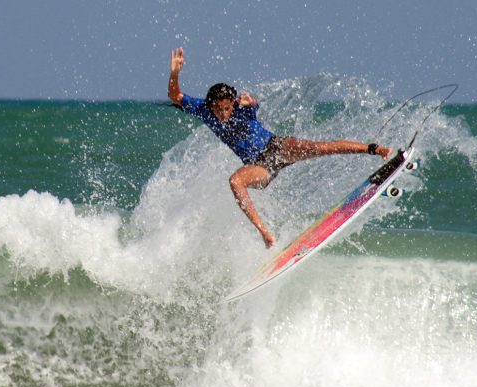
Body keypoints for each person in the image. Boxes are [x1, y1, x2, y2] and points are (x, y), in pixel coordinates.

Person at [168, 47, 392, 248]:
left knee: (322, 147)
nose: (224, 114)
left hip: (277, 147)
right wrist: (175, 72)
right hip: (259, 165)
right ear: (211, 106)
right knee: (236, 181)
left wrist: (251, 101)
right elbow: (174, 95)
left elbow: (251, 102)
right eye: (219, 109)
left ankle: (375, 149)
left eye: (227, 108)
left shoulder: (240, 107)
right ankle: (265, 233)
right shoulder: (203, 110)